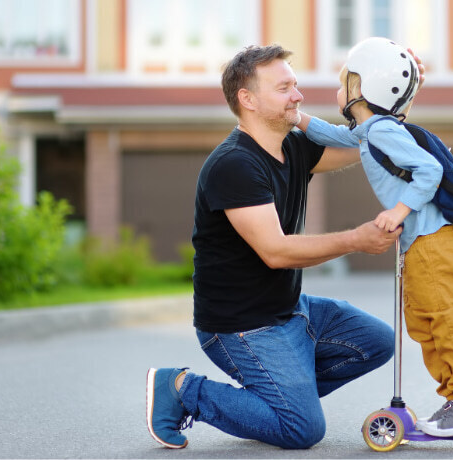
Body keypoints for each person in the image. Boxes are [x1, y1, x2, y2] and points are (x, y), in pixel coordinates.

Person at [145, 44, 419, 450]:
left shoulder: (293, 145)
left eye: (296, 84)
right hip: (240, 327)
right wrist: (356, 240)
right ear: (248, 99)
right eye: (285, 87)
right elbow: (275, 251)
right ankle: (183, 389)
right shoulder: (234, 164)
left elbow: (369, 145)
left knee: (377, 341)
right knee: (301, 430)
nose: (298, 95)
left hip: (290, 311)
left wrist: (401, 94)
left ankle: (275, 400)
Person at [297, 37, 453, 438]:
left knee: (442, 321)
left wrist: (398, 210)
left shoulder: (383, 131)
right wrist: (297, 120)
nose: (339, 91)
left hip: (433, 243)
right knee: (423, 324)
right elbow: (333, 135)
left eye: (345, 82)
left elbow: (428, 171)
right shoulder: (371, 131)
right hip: (421, 246)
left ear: (365, 89)